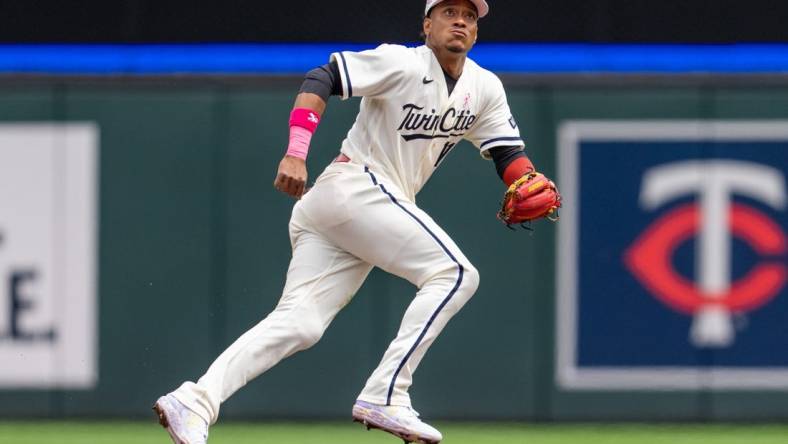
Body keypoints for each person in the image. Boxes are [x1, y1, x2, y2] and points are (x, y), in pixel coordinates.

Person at [154, 1, 555, 443]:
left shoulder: (484, 87)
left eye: (470, 16)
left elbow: (507, 154)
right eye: (448, 11)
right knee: (456, 273)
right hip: (356, 186)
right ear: (427, 24)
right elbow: (322, 76)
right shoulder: (401, 61)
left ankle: (194, 399)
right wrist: (296, 150)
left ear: (476, 32)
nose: (461, 20)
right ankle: (388, 393)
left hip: (351, 209)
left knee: (300, 323)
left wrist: (529, 180)